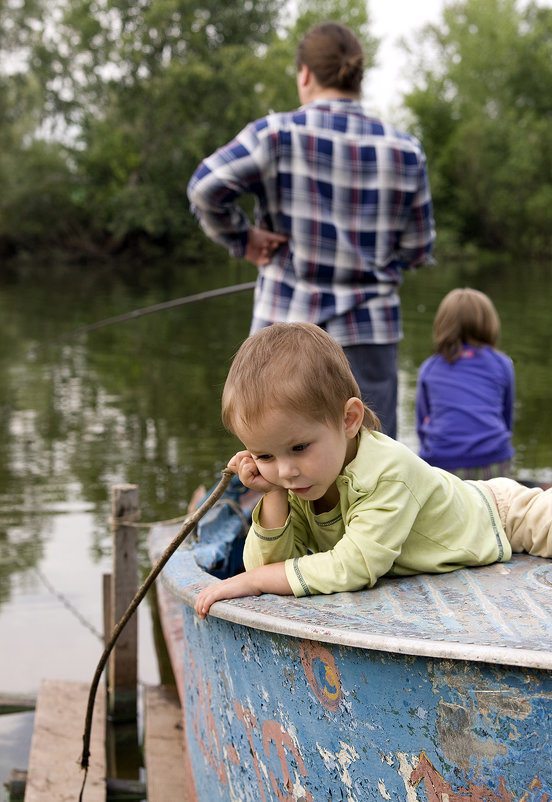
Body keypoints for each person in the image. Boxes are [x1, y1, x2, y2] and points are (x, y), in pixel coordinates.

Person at [194, 322, 551, 618]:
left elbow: (355, 566)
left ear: (349, 419)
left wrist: (254, 581)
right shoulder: (298, 481)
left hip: (505, 517)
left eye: (299, 448)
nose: (285, 470)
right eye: (264, 456)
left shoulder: (387, 471)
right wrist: (271, 494)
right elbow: (269, 566)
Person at [187, 21, 436, 439]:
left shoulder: (275, 135)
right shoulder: (405, 150)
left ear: (304, 74)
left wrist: (242, 238)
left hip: (282, 332)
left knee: (280, 461)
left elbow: (205, 188)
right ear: (357, 76)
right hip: (370, 330)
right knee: (373, 461)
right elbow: (418, 247)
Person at [416, 288, 515, 478]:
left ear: (443, 325)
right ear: (489, 323)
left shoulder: (429, 368)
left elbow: (423, 424)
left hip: (443, 463)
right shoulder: (502, 364)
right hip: (494, 459)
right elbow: (507, 417)